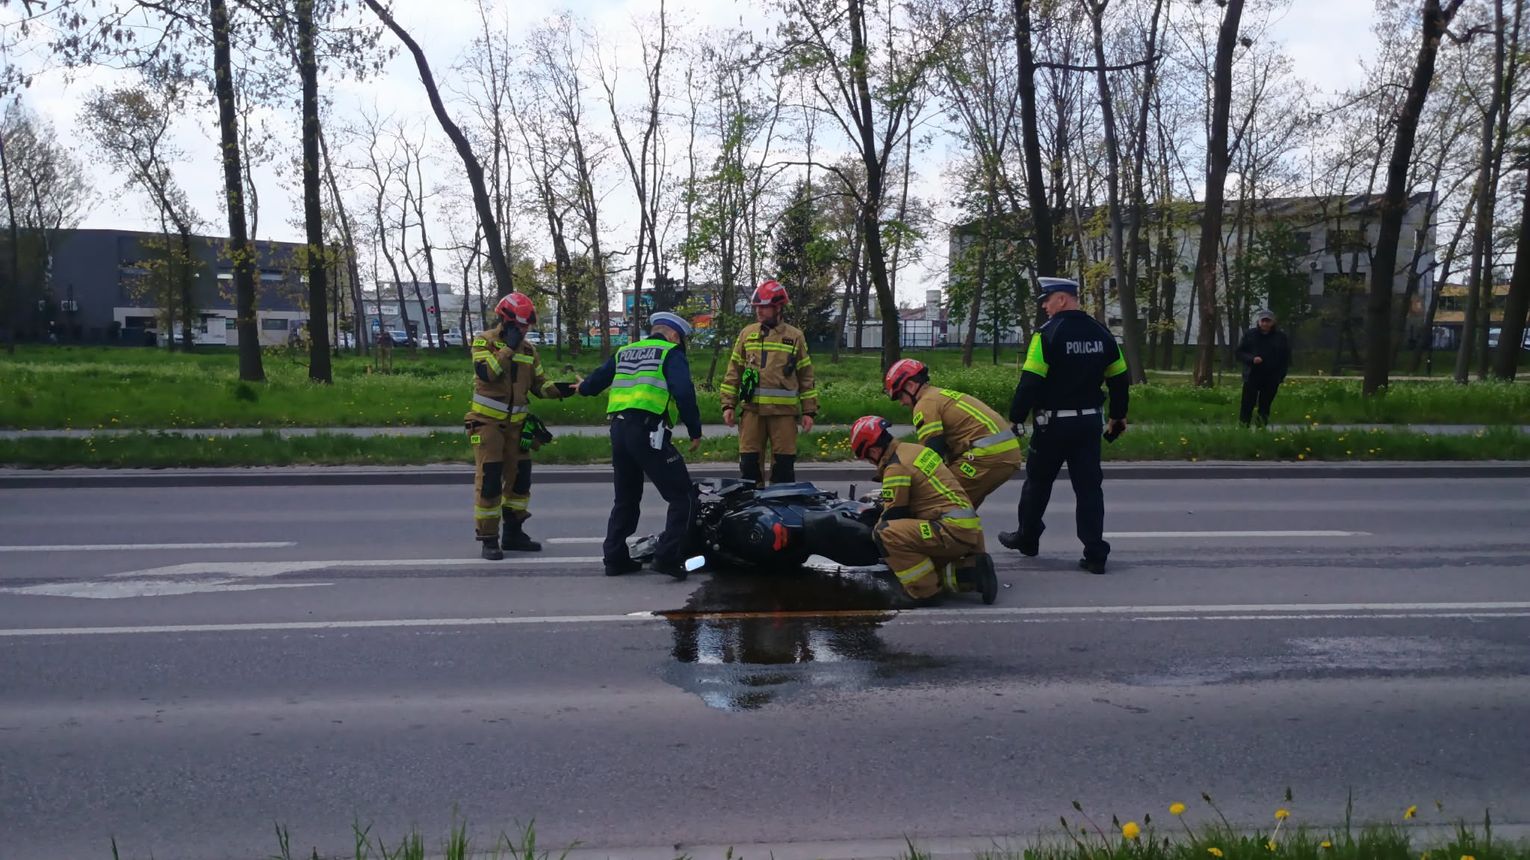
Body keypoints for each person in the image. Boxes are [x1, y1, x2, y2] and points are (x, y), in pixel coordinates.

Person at [998, 277, 1129, 575]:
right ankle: (1095, 553)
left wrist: (1016, 417)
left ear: (1062, 299)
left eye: (1047, 300)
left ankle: (1027, 538)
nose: (1044, 306)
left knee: (1037, 483)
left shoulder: (1047, 334)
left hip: (1053, 425)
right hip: (1088, 424)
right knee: (1089, 489)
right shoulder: (1102, 333)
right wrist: (1118, 415)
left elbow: (1030, 381)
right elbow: (1119, 378)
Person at [577, 311, 704, 580]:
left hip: (619, 430)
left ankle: (615, 558)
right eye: (681, 340)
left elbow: (596, 381)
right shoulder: (670, 353)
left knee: (626, 497)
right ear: (674, 335)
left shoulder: (626, 351)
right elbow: (683, 391)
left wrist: (583, 387)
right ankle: (667, 556)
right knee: (683, 496)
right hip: (647, 431)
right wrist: (695, 430)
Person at [464, 293, 572, 560]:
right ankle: (489, 538)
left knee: (520, 481)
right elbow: (487, 373)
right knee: (490, 480)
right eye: (521, 326)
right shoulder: (484, 341)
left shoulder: (529, 350)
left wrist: (564, 389)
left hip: (518, 428)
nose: (525, 331)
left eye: (527, 326)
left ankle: (513, 532)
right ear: (506, 320)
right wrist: (508, 349)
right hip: (487, 425)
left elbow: (539, 385)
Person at [849, 415, 998, 606]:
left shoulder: (896, 467)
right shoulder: (915, 450)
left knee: (885, 534)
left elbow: (894, 514)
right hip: (968, 528)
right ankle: (972, 572)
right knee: (919, 560)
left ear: (874, 450)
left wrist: (871, 528)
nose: (871, 463)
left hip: (949, 531)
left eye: (868, 459)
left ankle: (924, 592)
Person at [883, 358, 1022, 509]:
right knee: (961, 507)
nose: (902, 403)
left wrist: (911, 483)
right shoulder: (939, 395)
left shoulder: (924, 404)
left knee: (936, 500)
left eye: (900, 396)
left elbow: (932, 453)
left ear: (911, 386)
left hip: (986, 456)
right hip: (1002, 452)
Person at [719, 279, 818, 485]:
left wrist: (809, 411)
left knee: (783, 467)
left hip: (783, 414)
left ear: (778, 307)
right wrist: (728, 405)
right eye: (757, 307)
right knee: (749, 465)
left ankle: (780, 502)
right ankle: (752, 503)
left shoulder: (794, 337)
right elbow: (734, 371)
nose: (759, 311)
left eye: (764, 307)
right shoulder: (747, 334)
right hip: (751, 412)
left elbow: (806, 375)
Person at [1236, 309, 1291, 427]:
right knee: (1247, 403)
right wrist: (1251, 359)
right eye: (1263, 321)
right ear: (1259, 322)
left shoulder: (1280, 337)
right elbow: (1240, 353)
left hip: (1271, 376)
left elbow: (1286, 358)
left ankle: (1261, 428)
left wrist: (1281, 376)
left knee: (1265, 405)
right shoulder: (1250, 334)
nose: (1265, 324)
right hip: (1252, 374)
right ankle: (1243, 428)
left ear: (1273, 322)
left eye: (1268, 321)